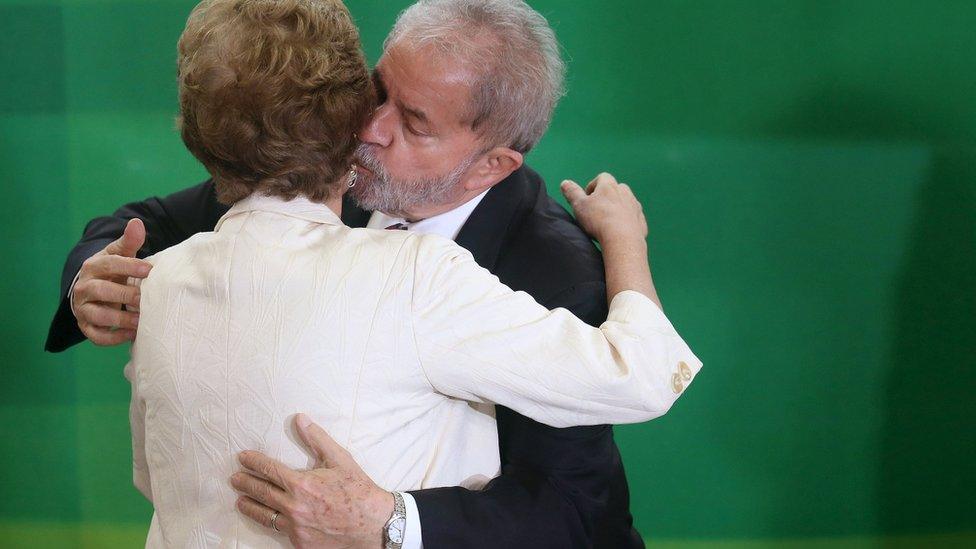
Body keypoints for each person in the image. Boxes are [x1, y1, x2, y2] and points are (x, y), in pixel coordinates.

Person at [46, 1, 698, 547]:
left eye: (412, 122)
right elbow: (142, 221)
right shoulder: (325, 165)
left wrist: (391, 521)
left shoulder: (559, 274)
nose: (371, 128)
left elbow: (576, 512)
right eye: (378, 91)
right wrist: (90, 279)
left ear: (490, 165)